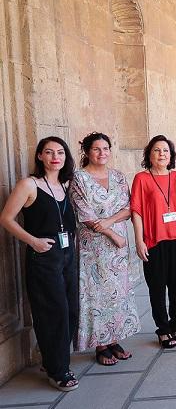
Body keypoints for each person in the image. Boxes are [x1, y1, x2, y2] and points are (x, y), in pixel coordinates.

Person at [0, 137, 79, 391]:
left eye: (60, 152)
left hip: (67, 257)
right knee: (53, 313)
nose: (55, 156)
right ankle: (59, 371)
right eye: (49, 152)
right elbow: (6, 218)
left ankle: (51, 360)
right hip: (43, 257)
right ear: (40, 157)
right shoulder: (29, 185)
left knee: (71, 311)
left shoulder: (66, 185)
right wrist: (33, 241)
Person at [70, 132, 140, 365]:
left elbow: (128, 207)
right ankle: (100, 344)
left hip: (118, 244)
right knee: (97, 294)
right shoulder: (78, 178)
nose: (102, 153)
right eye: (97, 149)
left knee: (119, 292)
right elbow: (85, 214)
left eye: (106, 148)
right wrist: (110, 232)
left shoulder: (118, 177)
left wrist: (111, 224)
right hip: (94, 247)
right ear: (87, 152)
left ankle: (114, 339)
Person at [130, 135, 176, 349]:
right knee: (157, 287)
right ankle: (163, 329)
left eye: (165, 150)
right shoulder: (142, 178)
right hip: (155, 240)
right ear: (149, 154)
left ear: (171, 155)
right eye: (156, 150)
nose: (161, 154)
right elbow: (136, 211)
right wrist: (139, 240)